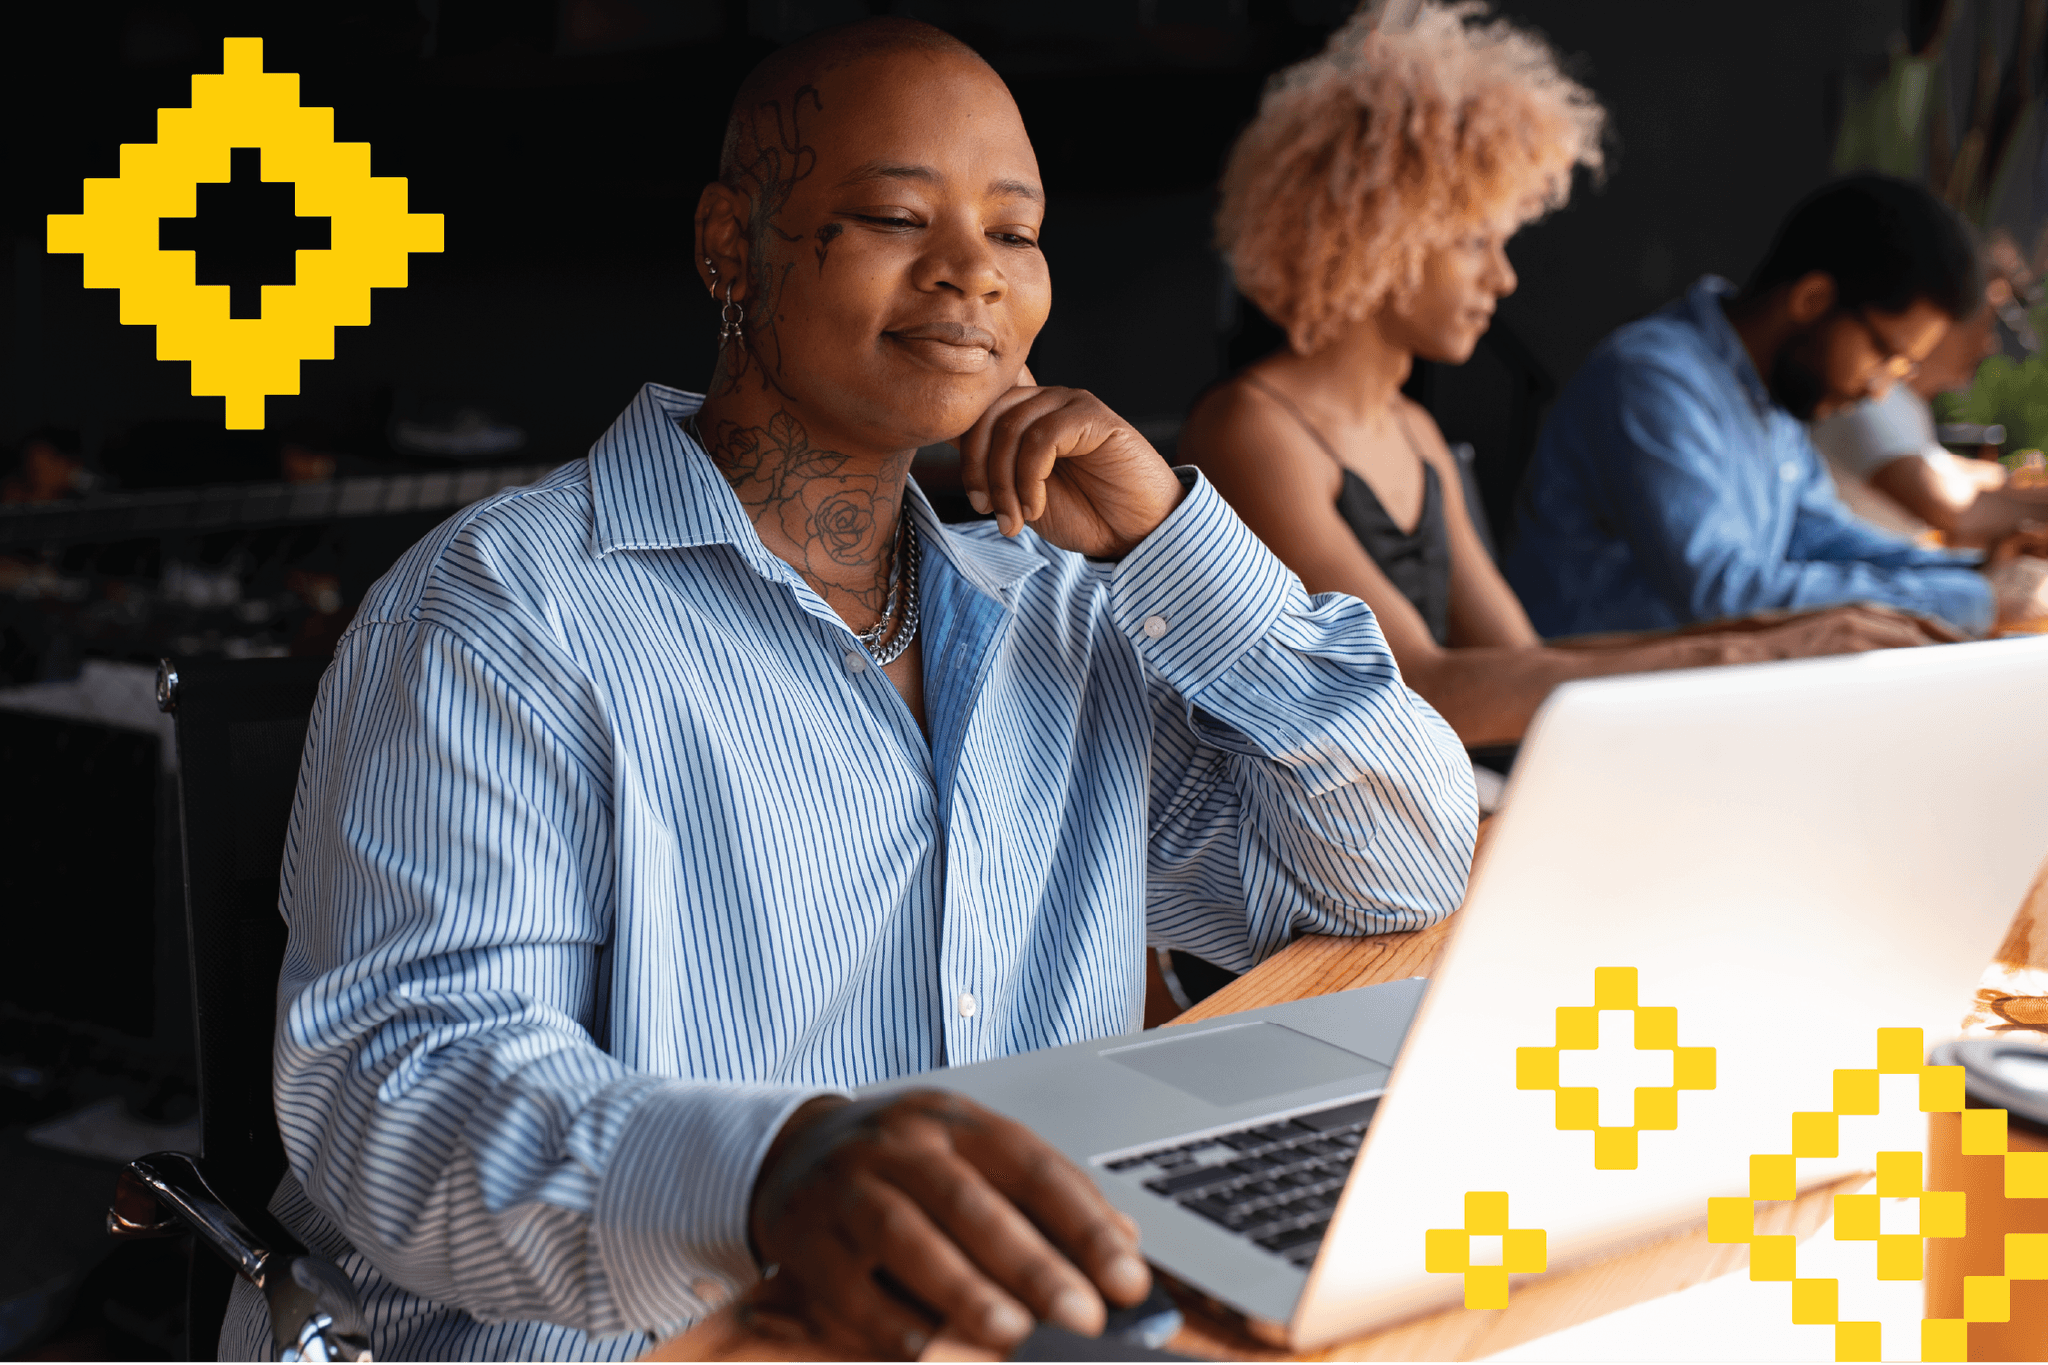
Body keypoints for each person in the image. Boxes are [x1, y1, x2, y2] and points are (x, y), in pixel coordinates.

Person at [223, 18, 1477, 1363]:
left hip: (999, 1325)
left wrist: (1183, 540)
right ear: (728, 246)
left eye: (1016, 232)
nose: (970, 277)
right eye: (894, 214)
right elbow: (402, 1105)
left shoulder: (1059, 615)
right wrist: (766, 1174)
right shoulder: (507, 611)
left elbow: (1399, 867)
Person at [1181, 3, 1948, 750]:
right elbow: (1415, 687)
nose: (1504, 278)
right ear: (1382, 235)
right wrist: (1750, 654)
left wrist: (1787, 635)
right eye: (1476, 243)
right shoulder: (1252, 429)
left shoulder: (1412, 430)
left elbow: (1521, 657)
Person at [1506, 173, 2048, 640]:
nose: (1881, 389)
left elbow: (1819, 537)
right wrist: (1976, 599)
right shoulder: (1652, 379)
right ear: (1813, 299)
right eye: (1884, 354)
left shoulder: (1767, 396)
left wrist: (1977, 571)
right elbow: (1724, 592)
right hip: (1588, 725)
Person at [1810, 293, 2048, 543]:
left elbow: (1945, 467)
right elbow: (1954, 511)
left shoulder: (1905, 405)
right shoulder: (1868, 400)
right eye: (1986, 325)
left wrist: (2015, 478)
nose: (1990, 345)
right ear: (1941, 325)